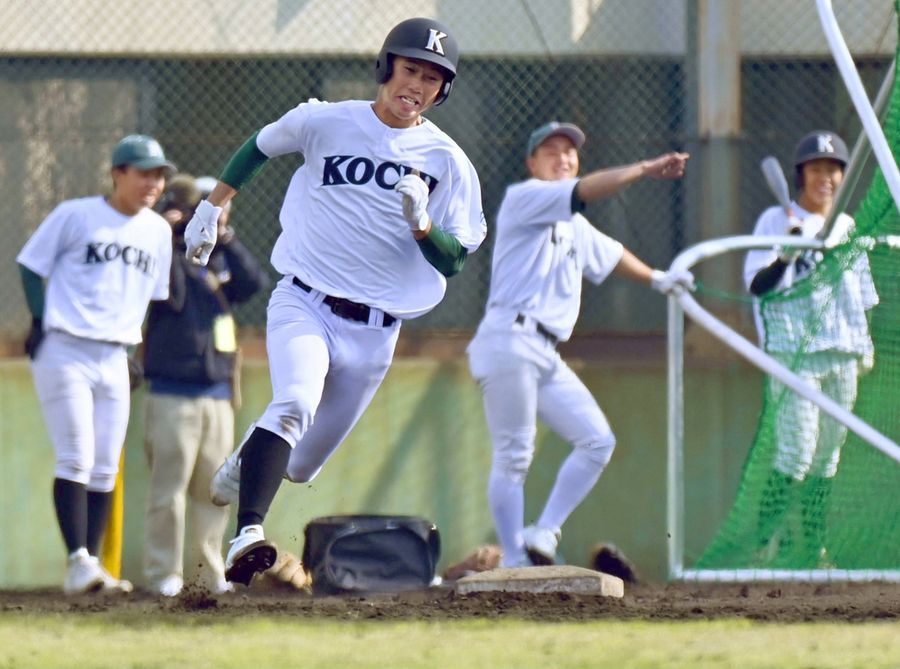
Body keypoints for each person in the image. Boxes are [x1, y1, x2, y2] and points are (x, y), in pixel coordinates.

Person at [182, 17, 485, 586]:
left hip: (376, 330)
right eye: (410, 68)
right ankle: (248, 533)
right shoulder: (326, 120)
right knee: (294, 402)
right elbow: (260, 146)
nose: (416, 85)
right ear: (385, 67)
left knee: (300, 464)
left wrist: (423, 225)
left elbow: (456, 260)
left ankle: (246, 462)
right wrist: (211, 206)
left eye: (432, 78)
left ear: (443, 92)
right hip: (306, 301)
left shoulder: (449, 162)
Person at [466, 122, 692, 568]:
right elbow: (587, 190)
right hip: (509, 339)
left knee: (596, 441)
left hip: (545, 350)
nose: (563, 158)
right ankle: (513, 557)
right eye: (551, 151)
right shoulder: (526, 196)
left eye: (570, 152)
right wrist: (646, 167)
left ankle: (543, 533)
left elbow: (611, 254)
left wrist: (659, 279)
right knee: (515, 454)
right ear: (532, 164)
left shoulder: (575, 225)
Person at [16, 134, 175, 594]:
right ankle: (77, 560)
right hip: (66, 347)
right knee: (77, 454)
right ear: (117, 173)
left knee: (106, 464)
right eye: (143, 172)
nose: (153, 182)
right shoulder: (77, 214)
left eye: (159, 174)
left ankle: (91, 565)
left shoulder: (158, 231)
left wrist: (135, 353)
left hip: (114, 354)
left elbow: (149, 299)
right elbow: (30, 264)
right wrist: (41, 319)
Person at [743, 130, 878, 567]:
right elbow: (756, 286)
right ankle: (764, 544)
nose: (825, 177)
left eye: (833, 169)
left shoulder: (846, 226)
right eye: (816, 169)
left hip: (842, 352)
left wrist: (866, 345)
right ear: (801, 175)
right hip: (794, 355)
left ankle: (813, 548)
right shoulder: (774, 220)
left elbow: (862, 294)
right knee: (796, 453)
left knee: (827, 457)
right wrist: (786, 253)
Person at [141, 174, 269, 596]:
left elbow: (253, 283)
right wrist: (170, 231)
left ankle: (208, 572)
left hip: (217, 392)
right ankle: (164, 574)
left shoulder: (219, 260)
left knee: (213, 492)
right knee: (169, 489)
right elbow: (165, 291)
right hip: (171, 390)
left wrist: (226, 237)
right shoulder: (168, 251)